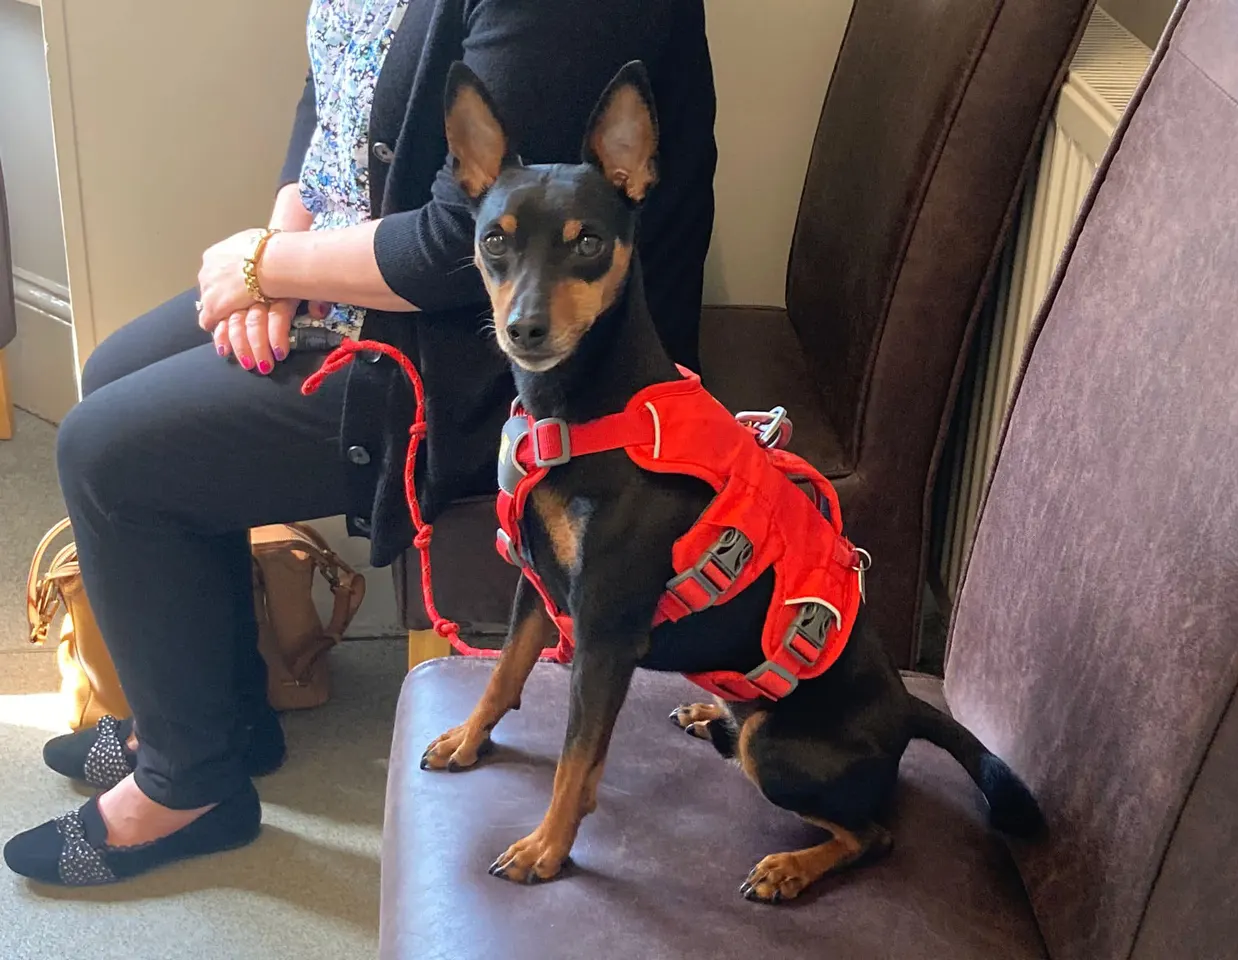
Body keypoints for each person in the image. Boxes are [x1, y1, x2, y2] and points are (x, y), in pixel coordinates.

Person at [3, 0, 715, 886]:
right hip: (346, 276)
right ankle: (218, 716)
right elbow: (333, 90)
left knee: (103, 453)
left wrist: (269, 268)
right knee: (112, 374)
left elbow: (476, 230)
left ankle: (191, 784)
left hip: (486, 353)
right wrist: (284, 242)